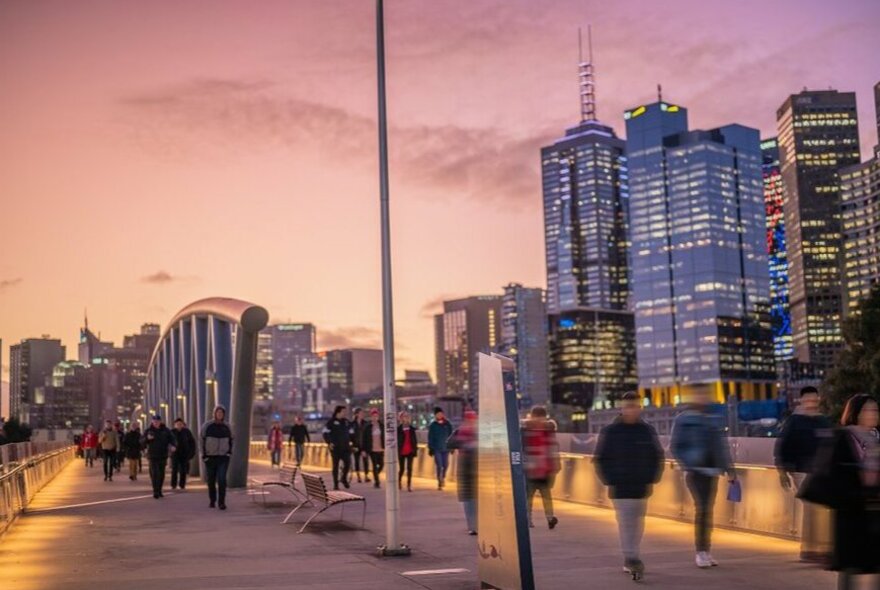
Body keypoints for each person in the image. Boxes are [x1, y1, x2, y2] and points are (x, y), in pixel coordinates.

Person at [594, 392, 664, 580]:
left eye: (635, 406)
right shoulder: (611, 431)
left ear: (640, 408)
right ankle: (632, 558)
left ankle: (631, 556)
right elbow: (600, 458)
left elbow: (657, 455)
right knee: (626, 523)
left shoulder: (646, 430)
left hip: (641, 486)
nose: (632, 410)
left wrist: (652, 478)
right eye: (628, 406)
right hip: (620, 487)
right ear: (622, 408)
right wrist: (610, 480)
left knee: (638, 523)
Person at [670, 389, 735, 569]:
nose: (703, 398)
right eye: (699, 395)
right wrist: (688, 464)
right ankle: (701, 551)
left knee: (708, 510)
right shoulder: (683, 419)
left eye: (705, 396)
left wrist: (730, 469)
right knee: (703, 509)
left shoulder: (712, 418)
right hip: (695, 472)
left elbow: (721, 446)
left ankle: (706, 550)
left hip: (712, 471)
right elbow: (675, 446)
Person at [775, 386, 834, 562]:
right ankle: (810, 549)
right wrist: (782, 471)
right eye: (807, 399)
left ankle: (822, 548)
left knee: (823, 509)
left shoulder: (824, 421)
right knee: (811, 508)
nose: (811, 402)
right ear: (801, 400)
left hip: (822, 472)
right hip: (801, 470)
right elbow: (782, 446)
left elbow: (832, 444)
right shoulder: (795, 422)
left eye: (814, 399)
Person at [826, 394, 880, 589]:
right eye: (867, 410)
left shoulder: (877, 439)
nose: (873, 414)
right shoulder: (843, 439)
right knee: (850, 567)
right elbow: (834, 475)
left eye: (875, 410)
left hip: (875, 512)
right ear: (855, 413)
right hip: (851, 513)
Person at [522, 405, 561, 531]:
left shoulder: (527, 429)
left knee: (532, 496)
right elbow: (553, 449)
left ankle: (544, 518)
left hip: (538, 469)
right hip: (538, 469)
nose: (539, 420)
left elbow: (553, 449)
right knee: (539, 496)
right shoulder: (546, 430)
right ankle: (544, 518)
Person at [447, 409, 478, 535]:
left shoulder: (461, 431)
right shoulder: (475, 432)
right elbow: (449, 443)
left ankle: (473, 526)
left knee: (470, 498)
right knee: (471, 498)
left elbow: (449, 443)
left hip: (467, 467)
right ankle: (474, 526)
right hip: (472, 468)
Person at [201, 405, 233, 510]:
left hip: (223, 457)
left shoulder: (227, 427)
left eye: (221, 413)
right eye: (218, 412)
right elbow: (201, 440)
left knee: (222, 479)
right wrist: (204, 455)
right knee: (211, 480)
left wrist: (229, 453)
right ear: (214, 414)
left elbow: (232, 440)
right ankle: (212, 500)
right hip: (210, 457)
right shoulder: (207, 426)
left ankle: (221, 502)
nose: (219, 414)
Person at [144, 414, 176, 499]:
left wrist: (173, 445)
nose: (156, 423)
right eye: (154, 421)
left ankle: (159, 489)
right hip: (152, 455)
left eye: (157, 421)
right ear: (152, 422)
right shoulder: (148, 431)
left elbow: (172, 439)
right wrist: (147, 439)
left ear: (160, 421)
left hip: (162, 455)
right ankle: (155, 491)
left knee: (161, 473)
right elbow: (141, 441)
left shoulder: (166, 430)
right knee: (154, 473)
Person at [322, 405, 352, 490]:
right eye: (343, 411)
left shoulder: (346, 422)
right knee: (335, 466)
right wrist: (329, 442)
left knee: (347, 463)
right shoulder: (331, 422)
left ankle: (343, 478)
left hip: (346, 447)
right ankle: (336, 484)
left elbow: (352, 433)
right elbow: (325, 433)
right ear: (338, 412)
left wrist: (354, 443)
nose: (345, 413)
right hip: (335, 448)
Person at [428, 407, 453, 490]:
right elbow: (430, 437)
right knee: (439, 465)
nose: (439, 415)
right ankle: (439, 481)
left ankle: (443, 477)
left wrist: (452, 446)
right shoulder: (433, 425)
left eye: (441, 413)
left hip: (446, 448)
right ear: (435, 415)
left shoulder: (447, 424)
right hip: (437, 449)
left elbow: (451, 436)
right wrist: (431, 448)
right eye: (438, 414)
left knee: (445, 465)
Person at [361, 409, 385, 489]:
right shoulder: (367, 427)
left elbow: (385, 436)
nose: (375, 417)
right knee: (374, 465)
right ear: (371, 417)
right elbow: (364, 438)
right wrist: (363, 450)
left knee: (381, 465)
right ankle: (377, 482)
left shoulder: (381, 426)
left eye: (376, 416)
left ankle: (375, 475)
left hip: (380, 449)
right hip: (372, 449)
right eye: (373, 416)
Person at [171, 418, 196, 490]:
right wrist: (170, 450)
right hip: (175, 454)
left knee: (183, 470)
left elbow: (192, 442)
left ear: (183, 425)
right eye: (177, 424)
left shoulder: (187, 432)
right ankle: (173, 484)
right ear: (175, 425)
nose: (179, 426)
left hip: (184, 454)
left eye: (180, 424)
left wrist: (191, 452)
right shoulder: (172, 432)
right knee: (174, 469)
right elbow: (168, 442)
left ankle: (182, 484)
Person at [397, 411, 418, 492]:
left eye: (407, 416)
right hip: (402, 451)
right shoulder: (398, 429)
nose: (406, 418)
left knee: (409, 468)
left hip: (410, 451)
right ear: (401, 418)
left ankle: (409, 485)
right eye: (404, 416)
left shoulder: (412, 429)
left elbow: (414, 440)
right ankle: (399, 482)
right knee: (402, 469)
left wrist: (415, 450)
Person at [350, 408, 371, 483]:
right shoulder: (352, 424)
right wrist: (352, 446)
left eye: (363, 413)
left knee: (365, 461)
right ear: (356, 414)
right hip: (356, 446)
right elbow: (350, 436)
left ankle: (366, 476)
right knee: (357, 461)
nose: (362, 414)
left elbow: (368, 436)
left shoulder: (366, 424)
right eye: (361, 413)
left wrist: (367, 447)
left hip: (364, 445)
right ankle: (358, 476)